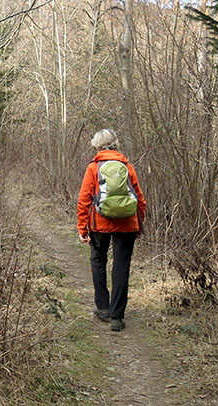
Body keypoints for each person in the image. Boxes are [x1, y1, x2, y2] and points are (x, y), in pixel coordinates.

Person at [76, 129, 146, 332]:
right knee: (121, 266)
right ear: (115, 143)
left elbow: (84, 200)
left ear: (97, 146)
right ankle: (117, 317)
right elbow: (140, 199)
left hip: (99, 223)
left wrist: (83, 227)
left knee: (98, 260)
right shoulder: (127, 166)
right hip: (127, 224)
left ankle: (103, 308)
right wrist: (139, 224)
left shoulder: (93, 168)